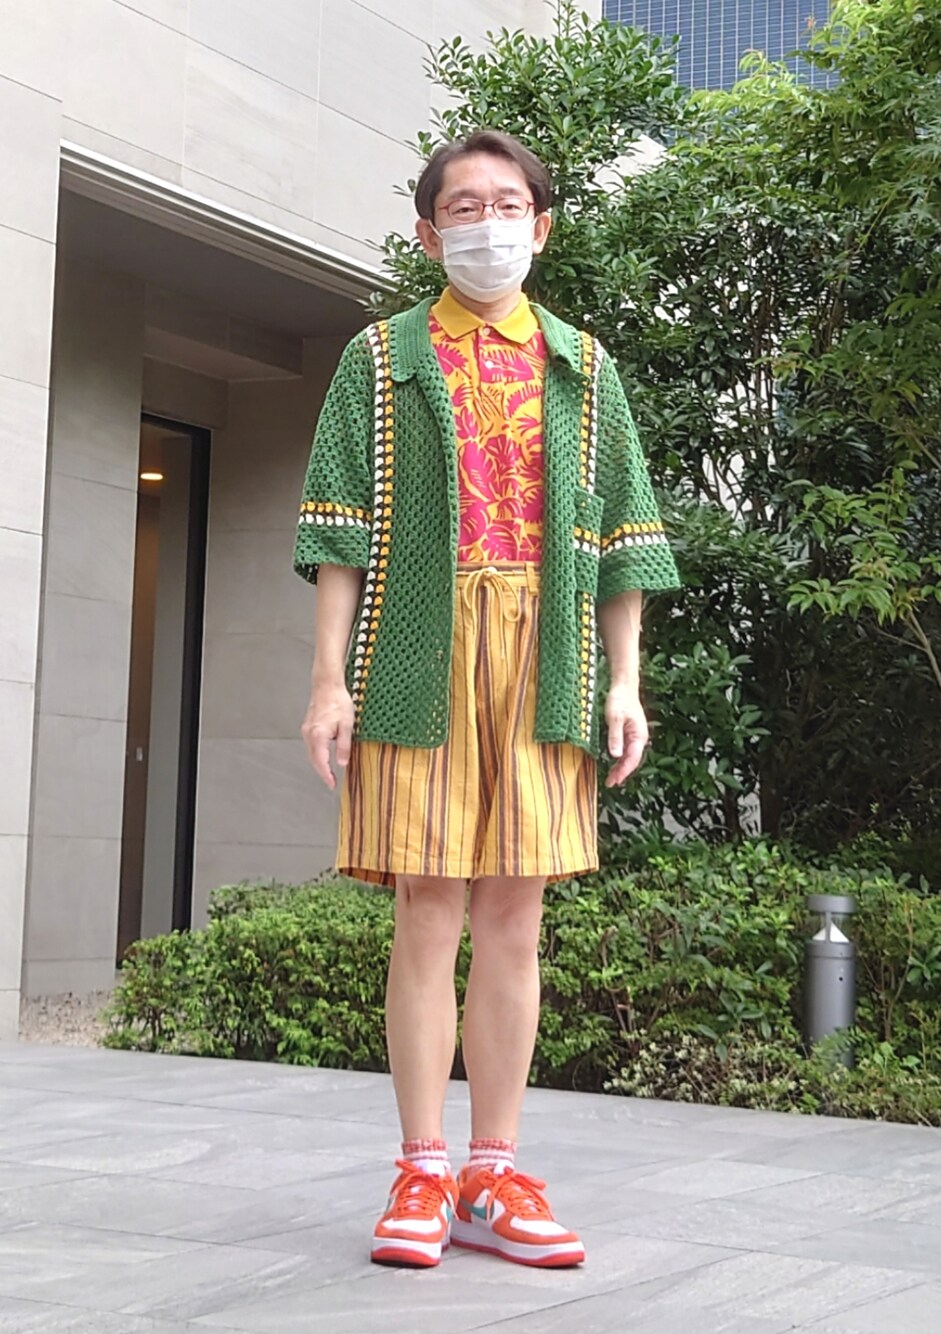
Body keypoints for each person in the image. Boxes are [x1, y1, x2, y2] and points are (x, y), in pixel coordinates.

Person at [294, 129, 679, 1270]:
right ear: (428, 232)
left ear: (541, 226)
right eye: (463, 206)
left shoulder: (584, 368)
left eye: (508, 204)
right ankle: (422, 1169)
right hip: (416, 650)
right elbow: (338, 531)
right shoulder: (379, 359)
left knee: (516, 914)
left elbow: (622, 542)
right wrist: (328, 682)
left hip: (547, 654)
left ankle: (494, 1172)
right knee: (427, 905)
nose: (487, 223)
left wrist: (625, 681)